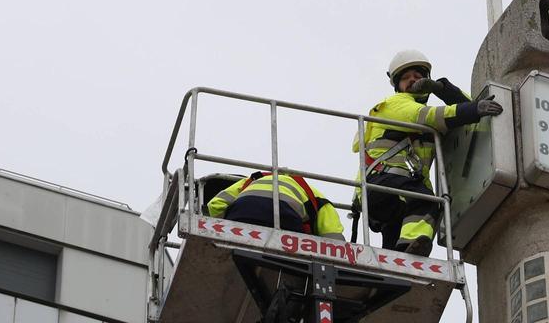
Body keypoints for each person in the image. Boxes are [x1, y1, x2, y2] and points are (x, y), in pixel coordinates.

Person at [353, 49, 503, 255]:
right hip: (384, 184)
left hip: (396, 192)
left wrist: (441, 88)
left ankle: (396, 276)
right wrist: (473, 110)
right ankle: (411, 250)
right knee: (428, 203)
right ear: (397, 86)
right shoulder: (395, 104)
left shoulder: (427, 127)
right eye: (406, 78)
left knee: (396, 235)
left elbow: (467, 111)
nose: (412, 81)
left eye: (417, 76)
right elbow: (430, 115)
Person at [207, 171, 345, 240]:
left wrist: (227, 227)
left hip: (241, 214)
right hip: (285, 219)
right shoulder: (315, 194)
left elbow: (215, 205)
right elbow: (332, 236)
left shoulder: (250, 181)